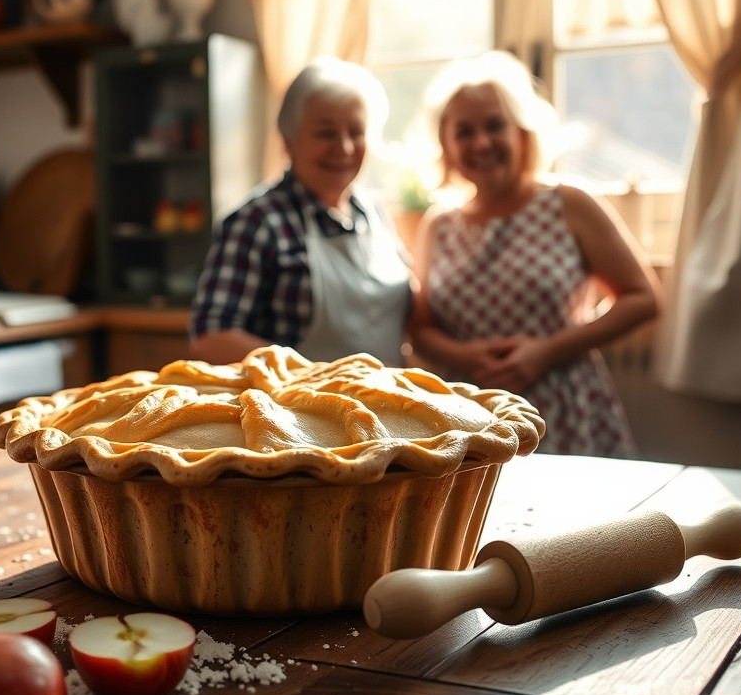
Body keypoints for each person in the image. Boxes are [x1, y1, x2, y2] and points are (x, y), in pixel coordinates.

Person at [409, 51, 661, 456]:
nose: (481, 142)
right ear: (446, 145)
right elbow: (420, 329)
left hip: (563, 406)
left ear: (522, 133)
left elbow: (643, 299)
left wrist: (547, 351)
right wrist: (465, 355)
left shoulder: (569, 203)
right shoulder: (438, 225)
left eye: (495, 126)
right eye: (464, 132)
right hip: (468, 415)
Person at [188, 57, 411, 366]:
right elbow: (210, 336)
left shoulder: (375, 214)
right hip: (295, 410)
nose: (344, 147)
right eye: (326, 133)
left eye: (356, 132)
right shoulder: (256, 221)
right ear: (289, 141)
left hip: (388, 406)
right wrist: (309, 377)